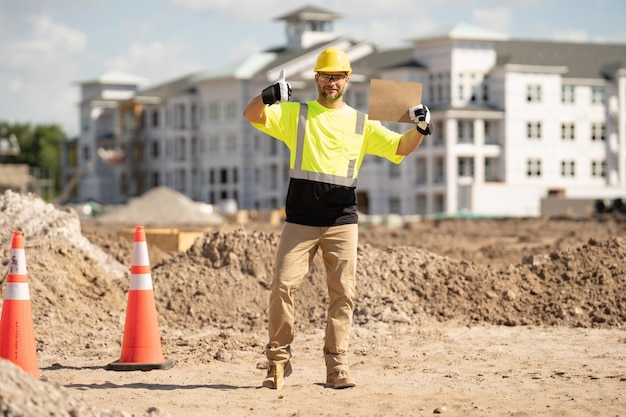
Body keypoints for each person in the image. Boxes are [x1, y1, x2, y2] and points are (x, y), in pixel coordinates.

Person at [242, 46, 431, 390]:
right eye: (326, 75)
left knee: (343, 294)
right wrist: (268, 96)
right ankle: (278, 364)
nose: (332, 82)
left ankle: (336, 367)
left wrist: (420, 127)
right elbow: (252, 114)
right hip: (299, 220)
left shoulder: (362, 123)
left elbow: (400, 148)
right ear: (316, 78)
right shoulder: (295, 114)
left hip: (341, 221)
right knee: (282, 286)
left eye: (338, 76)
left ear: (347, 80)